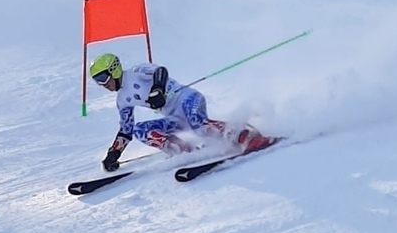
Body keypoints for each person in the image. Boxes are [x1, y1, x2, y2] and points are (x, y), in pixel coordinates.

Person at [89, 53, 271, 172]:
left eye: (103, 78)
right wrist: (114, 153)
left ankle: (247, 136)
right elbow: (126, 129)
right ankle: (183, 150)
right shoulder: (122, 100)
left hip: (187, 99)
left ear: (115, 70)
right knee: (139, 130)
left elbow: (159, 71)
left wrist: (158, 90)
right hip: (174, 116)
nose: (103, 84)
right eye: (98, 81)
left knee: (199, 127)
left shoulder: (136, 72)